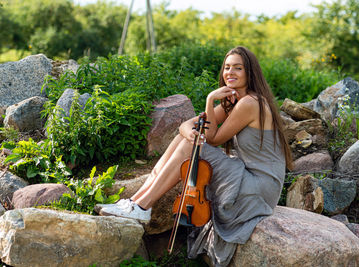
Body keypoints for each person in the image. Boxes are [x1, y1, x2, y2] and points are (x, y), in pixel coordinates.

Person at [95, 46, 293, 266]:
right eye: (227, 67)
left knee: (194, 145)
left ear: (250, 73)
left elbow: (213, 138)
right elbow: (187, 126)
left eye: (238, 68)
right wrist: (188, 132)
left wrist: (210, 100)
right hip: (248, 176)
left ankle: (142, 207)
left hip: (259, 186)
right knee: (187, 139)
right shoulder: (236, 100)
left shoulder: (250, 103)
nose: (230, 72)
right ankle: (136, 202)